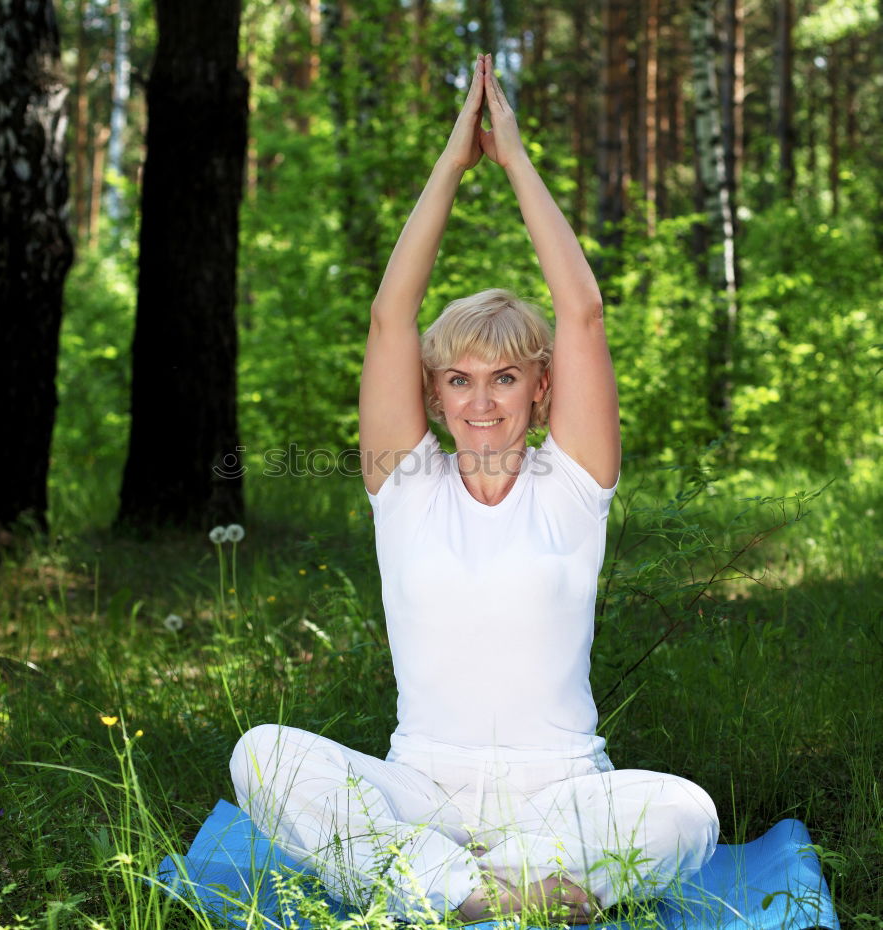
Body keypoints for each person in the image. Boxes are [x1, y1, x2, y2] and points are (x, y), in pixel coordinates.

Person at [230, 54, 718, 923]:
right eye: (457, 379)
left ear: (541, 390)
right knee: (260, 754)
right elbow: (391, 316)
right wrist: (450, 166)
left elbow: (583, 315)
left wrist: (516, 160)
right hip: (424, 793)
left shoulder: (572, 485)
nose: (481, 400)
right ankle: (489, 897)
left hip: (560, 797)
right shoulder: (406, 486)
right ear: (433, 394)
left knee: (688, 811)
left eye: (502, 379)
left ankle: (457, 894)